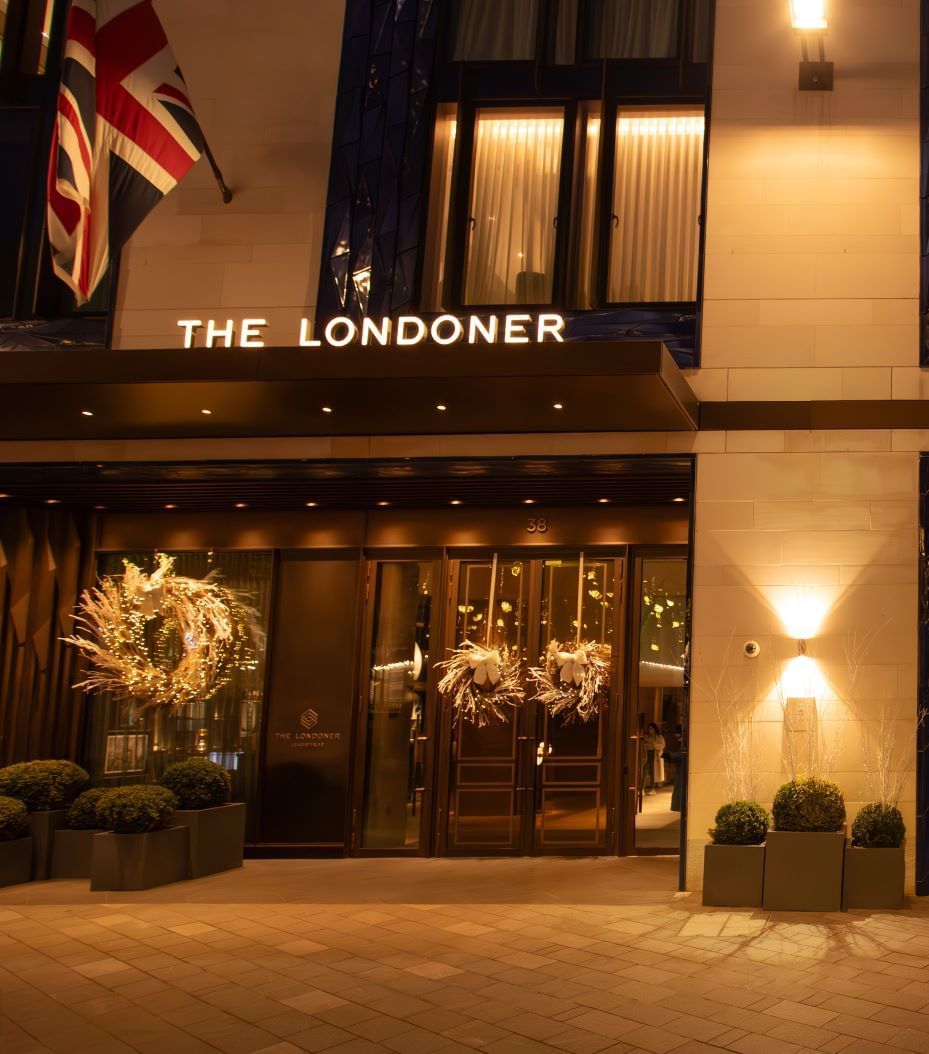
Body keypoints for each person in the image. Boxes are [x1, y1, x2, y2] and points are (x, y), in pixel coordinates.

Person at [662, 725, 683, 812]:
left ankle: (678, 806)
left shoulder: (685, 742)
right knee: (678, 787)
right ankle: (678, 806)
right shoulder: (681, 742)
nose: (676, 735)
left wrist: (670, 756)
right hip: (680, 767)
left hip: (681, 768)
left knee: (679, 787)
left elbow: (681, 754)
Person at [642, 722, 665, 794]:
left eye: (651, 728)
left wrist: (655, 745)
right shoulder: (646, 736)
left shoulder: (659, 736)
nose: (650, 730)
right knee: (644, 771)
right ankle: (642, 788)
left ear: (655, 729)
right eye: (649, 729)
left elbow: (662, 745)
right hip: (646, 754)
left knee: (653, 771)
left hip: (654, 754)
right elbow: (642, 744)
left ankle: (653, 788)